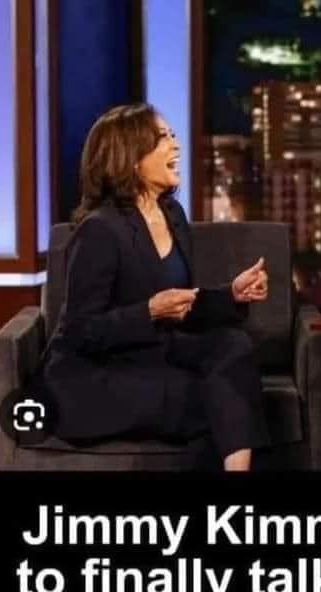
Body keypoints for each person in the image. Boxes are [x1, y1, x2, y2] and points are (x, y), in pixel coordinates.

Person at [40, 103, 270, 471]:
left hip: (151, 354)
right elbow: (81, 332)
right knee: (218, 400)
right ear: (131, 158)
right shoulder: (100, 230)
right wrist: (148, 311)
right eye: (163, 138)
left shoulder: (172, 215)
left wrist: (231, 294)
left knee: (234, 345)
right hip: (97, 376)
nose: (175, 145)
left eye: (173, 135)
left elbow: (180, 304)